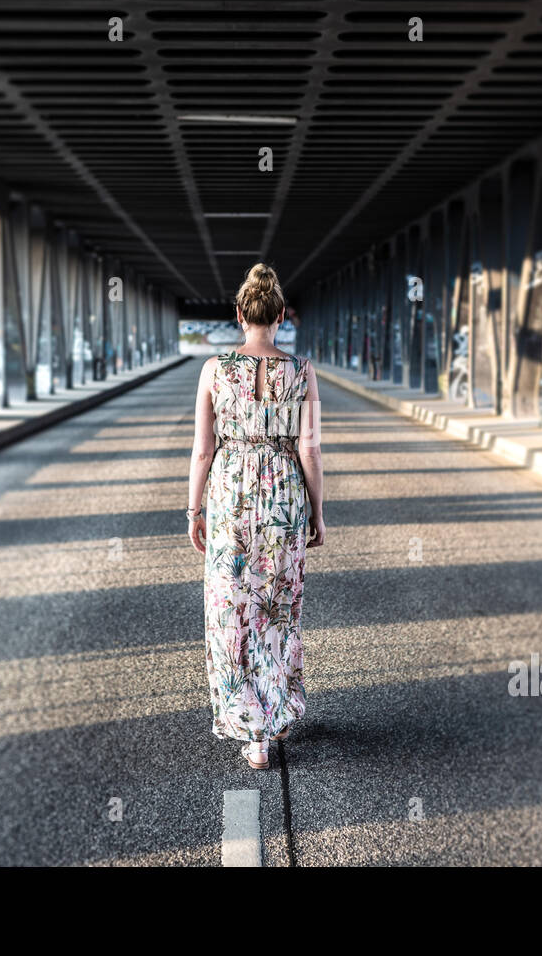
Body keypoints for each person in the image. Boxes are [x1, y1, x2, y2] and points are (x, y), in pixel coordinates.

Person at [186, 263, 325, 770]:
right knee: (278, 608)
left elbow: (203, 450)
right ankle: (276, 714)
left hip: (229, 495)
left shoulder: (215, 370)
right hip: (284, 495)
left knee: (230, 610)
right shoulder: (302, 372)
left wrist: (194, 509)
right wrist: (319, 513)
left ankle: (252, 734)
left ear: (240, 314)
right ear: (282, 316)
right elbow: (308, 448)